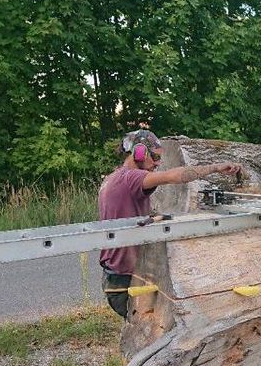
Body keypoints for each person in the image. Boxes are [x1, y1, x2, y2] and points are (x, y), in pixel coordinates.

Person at [99, 127, 240, 319]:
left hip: (116, 275)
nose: (157, 164)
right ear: (140, 152)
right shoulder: (131, 178)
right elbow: (174, 177)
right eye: (155, 158)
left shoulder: (113, 178)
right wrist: (215, 168)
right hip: (125, 280)